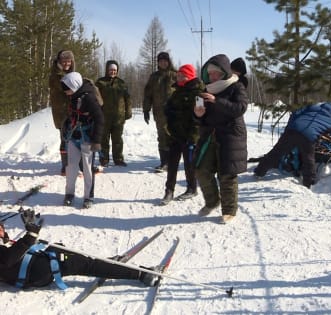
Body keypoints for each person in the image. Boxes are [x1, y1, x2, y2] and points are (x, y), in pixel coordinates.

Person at [0, 212, 159, 289]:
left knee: (62, 249)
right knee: (83, 263)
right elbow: (6, 261)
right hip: (35, 272)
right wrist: (30, 236)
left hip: (30, 267)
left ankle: (107, 266)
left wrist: (8, 238)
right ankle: (142, 275)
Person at [193, 54, 248, 224]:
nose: (212, 76)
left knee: (227, 174)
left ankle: (229, 210)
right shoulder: (207, 90)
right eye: (209, 74)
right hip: (210, 135)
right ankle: (212, 201)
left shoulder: (236, 86)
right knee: (201, 169)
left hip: (231, 135)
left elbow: (240, 108)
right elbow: (203, 118)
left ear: (224, 72)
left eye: (215, 73)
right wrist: (198, 115)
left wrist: (217, 101)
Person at [253, 102, 331, 188]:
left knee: (276, 153)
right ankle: (309, 183)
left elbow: (295, 113)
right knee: (308, 158)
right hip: (308, 136)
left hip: (292, 130)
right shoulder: (330, 121)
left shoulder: (310, 108)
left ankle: (259, 171)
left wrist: (291, 126)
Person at [160, 64, 205, 205]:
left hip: (189, 136)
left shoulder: (199, 94)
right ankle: (169, 190)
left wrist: (193, 137)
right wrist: (168, 111)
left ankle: (192, 188)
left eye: (182, 75)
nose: (178, 77)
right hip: (175, 135)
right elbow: (168, 108)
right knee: (172, 163)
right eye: (178, 75)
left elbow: (200, 118)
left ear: (190, 76)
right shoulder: (177, 91)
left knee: (189, 165)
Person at [61, 72, 104, 209]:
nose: (66, 92)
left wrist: (97, 140)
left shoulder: (89, 98)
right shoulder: (74, 96)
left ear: (74, 86)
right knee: (71, 167)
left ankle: (88, 197)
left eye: (67, 88)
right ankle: (69, 194)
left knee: (87, 169)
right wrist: (66, 127)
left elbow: (100, 119)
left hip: (88, 139)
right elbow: (72, 115)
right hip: (74, 137)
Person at [143, 52, 177, 172]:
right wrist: (146, 109)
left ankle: (173, 161)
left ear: (169, 61)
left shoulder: (175, 75)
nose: (163, 63)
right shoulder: (154, 77)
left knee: (173, 137)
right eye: (160, 61)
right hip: (159, 113)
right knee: (162, 136)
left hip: (175, 113)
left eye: (165, 60)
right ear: (158, 62)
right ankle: (164, 162)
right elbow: (148, 95)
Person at [96, 60, 132, 167]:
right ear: (107, 70)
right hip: (104, 116)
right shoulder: (100, 82)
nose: (113, 72)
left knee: (117, 139)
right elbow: (95, 98)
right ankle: (104, 159)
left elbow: (128, 99)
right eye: (111, 69)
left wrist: (128, 112)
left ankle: (118, 159)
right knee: (104, 139)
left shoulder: (122, 83)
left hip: (118, 117)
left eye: (115, 70)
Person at [48, 50, 75, 175]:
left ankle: (73, 164)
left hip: (72, 112)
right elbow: (68, 88)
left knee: (74, 139)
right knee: (65, 139)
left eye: (69, 61)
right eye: (64, 61)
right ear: (59, 61)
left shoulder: (70, 74)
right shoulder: (56, 75)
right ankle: (65, 166)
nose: (66, 63)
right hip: (62, 114)